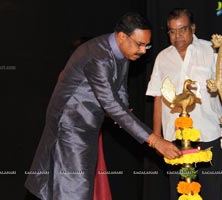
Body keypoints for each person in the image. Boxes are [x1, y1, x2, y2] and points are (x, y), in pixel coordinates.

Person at [24, 12, 182, 200]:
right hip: (70, 127)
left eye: (146, 45)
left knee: (73, 187)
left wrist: (124, 110)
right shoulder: (98, 56)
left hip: (85, 125)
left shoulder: (121, 51)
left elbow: (120, 89)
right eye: (140, 44)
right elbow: (110, 103)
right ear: (122, 36)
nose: (143, 51)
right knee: (74, 190)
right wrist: (154, 140)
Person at [145, 8, 222, 200]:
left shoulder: (212, 50)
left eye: (183, 29)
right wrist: (156, 136)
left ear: (193, 28)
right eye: (172, 31)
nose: (177, 36)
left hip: (210, 134)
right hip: (175, 141)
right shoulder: (162, 58)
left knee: (214, 194)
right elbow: (158, 97)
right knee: (180, 194)